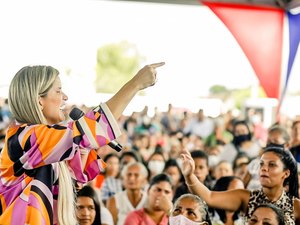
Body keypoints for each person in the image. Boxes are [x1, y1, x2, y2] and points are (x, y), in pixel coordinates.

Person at [0, 62, 164, 225]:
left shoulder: (45, 145)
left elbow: (70, 189)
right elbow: (97, 127)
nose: (65, 97)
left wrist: (82, 147)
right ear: (39, 101)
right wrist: (135, 84)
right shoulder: (24, 138)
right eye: (58, 91)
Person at [181, 145, 300, 224]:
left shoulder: (296, 207)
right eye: (262, 164)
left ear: (286, 173)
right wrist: (189, 176)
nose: (264, 169)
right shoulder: (247, 198)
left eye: (272, 165)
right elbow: (209, 197)